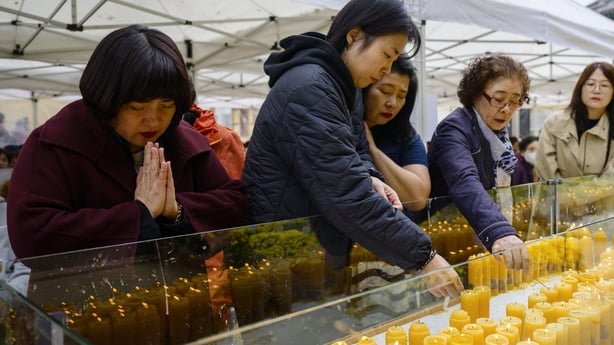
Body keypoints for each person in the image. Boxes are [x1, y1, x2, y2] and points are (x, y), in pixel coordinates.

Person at [242, 0, 463, 297]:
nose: (386, 69)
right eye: (386, 54)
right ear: (354, 36)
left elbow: (353, 153)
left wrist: (371, 177)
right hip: (287, 259)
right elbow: (345, 192)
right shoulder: (311, 90)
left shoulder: (341, 88)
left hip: (314, 252)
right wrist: (424, 257)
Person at [7, 24, 248, 259]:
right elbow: (31, 234)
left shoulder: (185, 140)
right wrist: (139, 214)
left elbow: (235, 205)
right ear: (107, 98)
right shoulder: (54, 144)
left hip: (181, 295)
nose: (153, 120)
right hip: (81, 298)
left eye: (166, 105)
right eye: (137, 107)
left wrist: (175, 210)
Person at [428, 54, 531, 272]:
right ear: (475, 93)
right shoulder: (454, 129)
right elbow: (464, 181)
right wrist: (499, 230)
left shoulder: (498, 135)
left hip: (478, 240)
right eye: (498, 98)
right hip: (450, 243)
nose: (506, 109)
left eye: (515, 100)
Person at [357, 54, 430, 211]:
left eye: (401, 96)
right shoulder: (340, 126)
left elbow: (418, 198)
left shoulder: (407, 137)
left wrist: (372, 150)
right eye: (385, 91)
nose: (392, 103)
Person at [535, 62, 614, 180]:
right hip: (558, 197)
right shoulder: (554, 122)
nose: (597, 90)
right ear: (580, 87)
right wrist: (569, 196)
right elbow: (545, 168)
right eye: (590, 84)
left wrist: (587, 195)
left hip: (605, 198)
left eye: (604, 85)